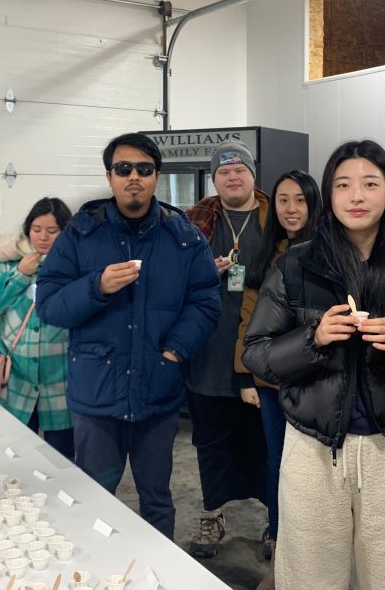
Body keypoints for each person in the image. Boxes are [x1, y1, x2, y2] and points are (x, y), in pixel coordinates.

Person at [243, 139, 385, 590]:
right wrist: (314, 338)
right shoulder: (297, 266)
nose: (357, 196)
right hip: (312, 448)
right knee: (308, 574)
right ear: (329, 194)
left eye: (369, 183)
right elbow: (256, 352)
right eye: (343, 185)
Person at [36, 133, 219, 540]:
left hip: (158, 393)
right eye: (123, 169)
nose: (133, 177)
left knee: (157, 500)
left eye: (144, 169)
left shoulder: (184, 236)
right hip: (97, 398)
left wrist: (175, 350)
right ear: (109, 176)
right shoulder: (81, 234)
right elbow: (48, 304)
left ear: (156, 175)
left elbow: (206, 300)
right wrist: (95, 286)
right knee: (94, 498)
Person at [235, 170, 322, 590]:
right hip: (271, 382)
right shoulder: (266, 254)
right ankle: (279, 534)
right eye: (284, 200)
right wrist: (246, 376)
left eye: (300, 200)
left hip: (316, 383)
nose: (291, 209)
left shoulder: (328, 252)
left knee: (314, 467)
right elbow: (248, 319)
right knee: (278, 463)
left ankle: (312, 543)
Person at [185, 139, 270, 558]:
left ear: (253, 174)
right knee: (210, 442)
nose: (232, 176)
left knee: (265, 442)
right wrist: (202, 272)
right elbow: (174, 281)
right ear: (215, 178)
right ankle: (211, 515)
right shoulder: (195, 222)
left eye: (240, 169)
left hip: (262, 355)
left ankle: (274, 519)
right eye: (224, 171)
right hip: (207, 355)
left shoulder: (277, 219)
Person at [0, 197, 75, 459]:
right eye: (36, 229)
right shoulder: (8, 262)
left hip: (61, 385)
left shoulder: (75, 266)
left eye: (52, 231)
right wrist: (19, 274)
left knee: (62, 459)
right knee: (16, 456)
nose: (43, 237)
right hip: (16, 382)